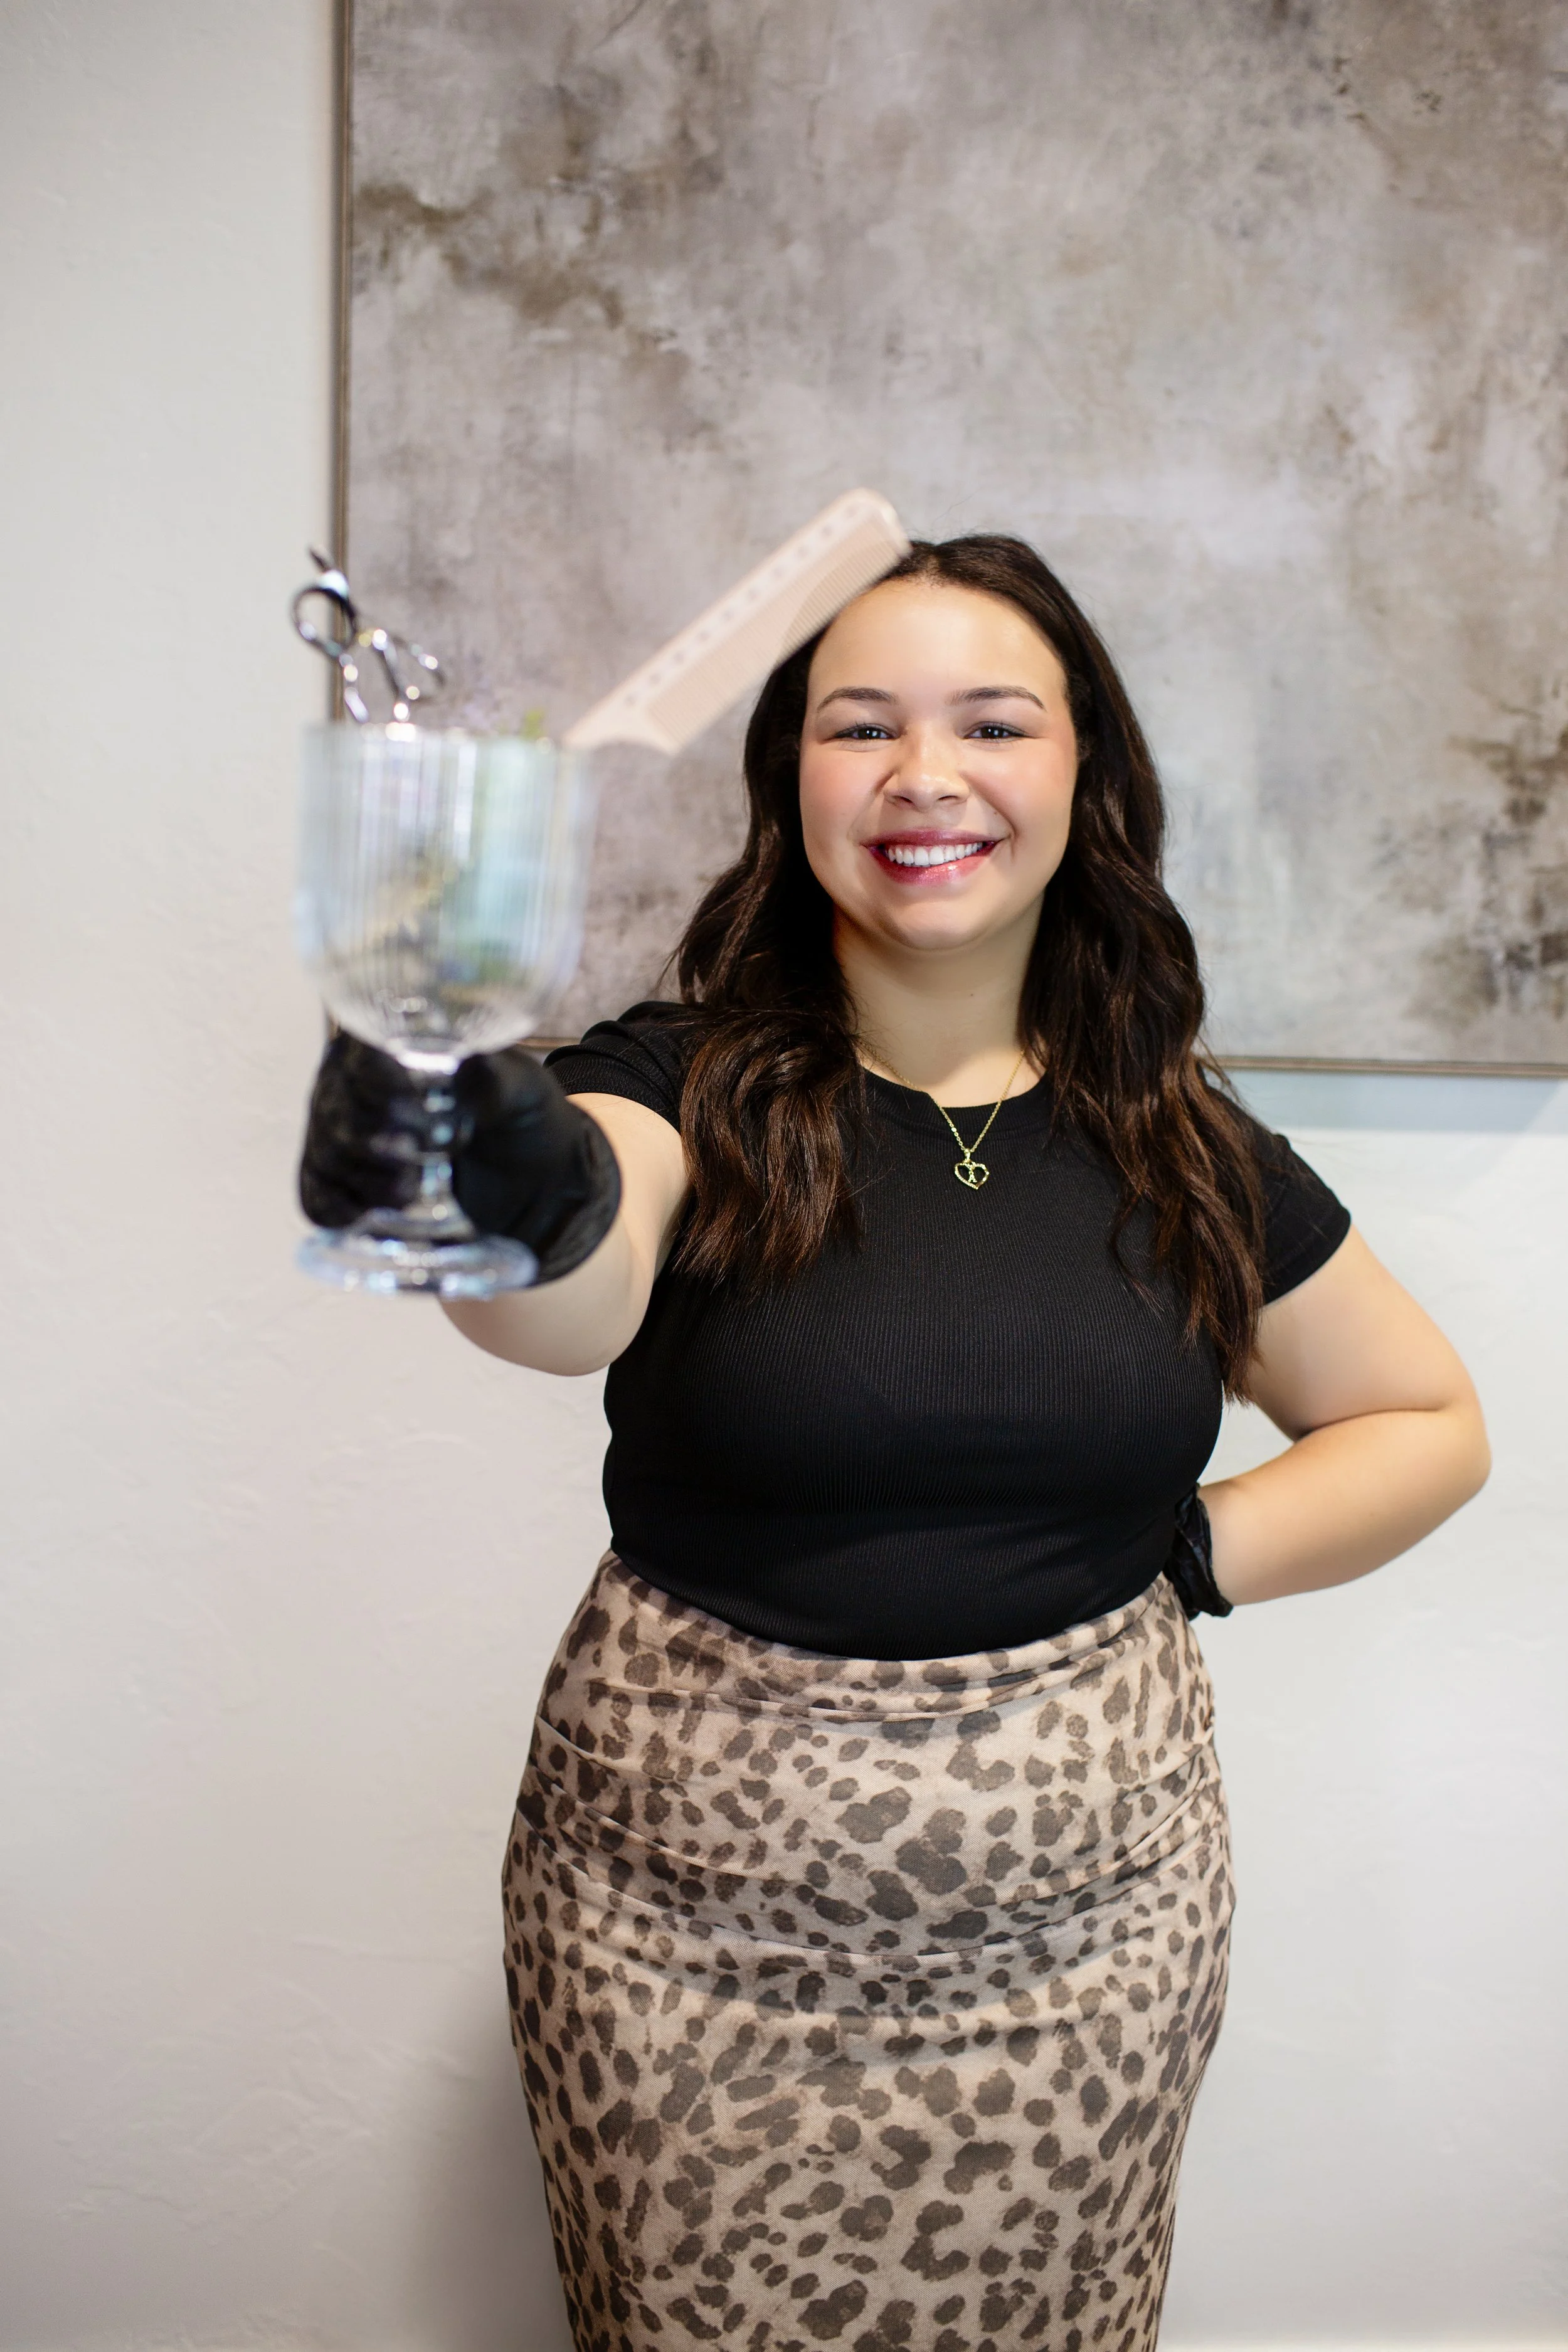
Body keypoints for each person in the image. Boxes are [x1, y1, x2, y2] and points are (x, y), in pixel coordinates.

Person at [299, 536, 1490, 2352]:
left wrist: (1190, 1560)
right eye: (862, 726)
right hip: (681, 1963)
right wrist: (493, 1155)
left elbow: (1425, 1418)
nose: (922, 774)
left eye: (987, 722)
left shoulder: (1175, 1142)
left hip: (1084, 1963)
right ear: (795, 783)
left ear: (1078, 770)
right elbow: (563, 1305)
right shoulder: (675, 1081)